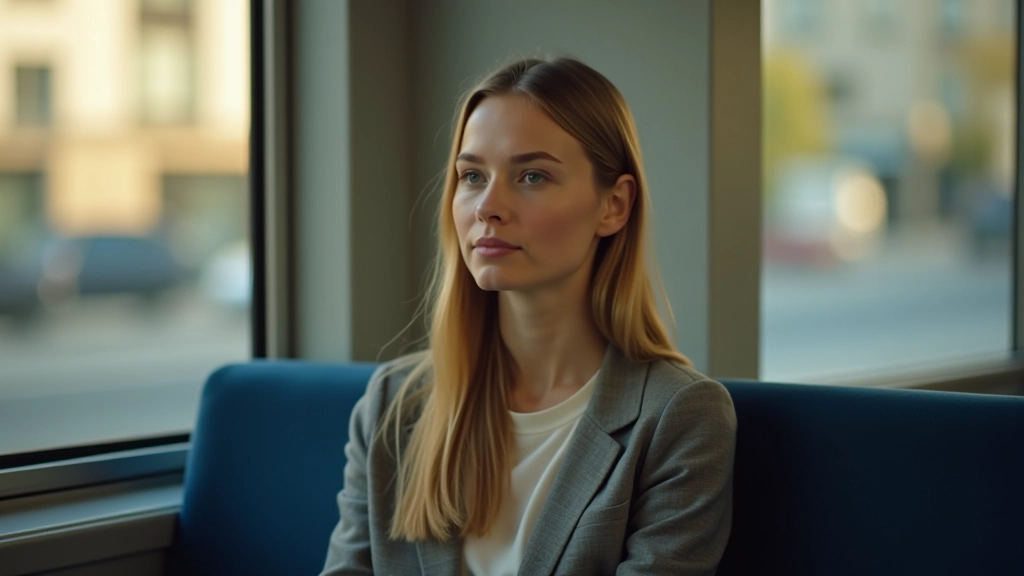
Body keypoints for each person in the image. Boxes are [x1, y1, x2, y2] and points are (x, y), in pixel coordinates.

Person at [321, 56, 736, 576]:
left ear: (614, 205)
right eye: (472, 176)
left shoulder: (679, 417)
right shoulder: (394, 405)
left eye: (532, 176)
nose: (487, 207)